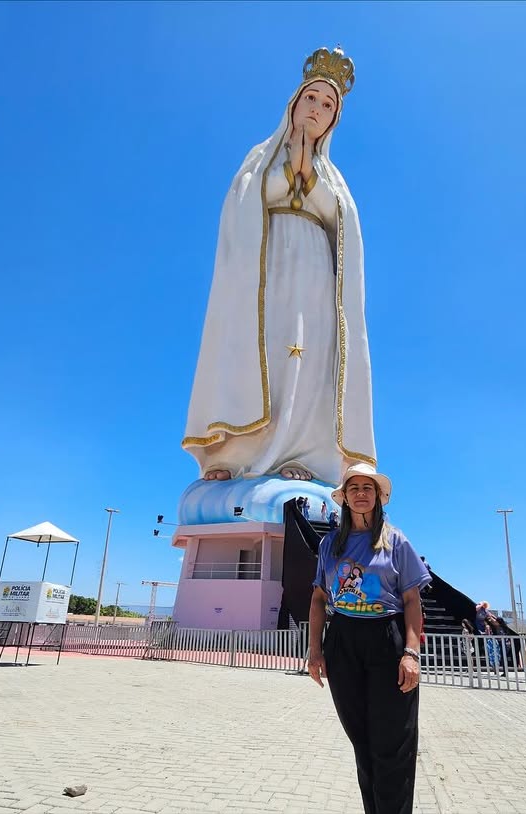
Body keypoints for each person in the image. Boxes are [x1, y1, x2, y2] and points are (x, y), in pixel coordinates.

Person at [183, 46, 375, 484]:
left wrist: (310, 177)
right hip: (266, 269)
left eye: (328, 105)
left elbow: (342, 226)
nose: (317, 109)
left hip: (314, 271)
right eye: (312, 98)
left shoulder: (334, 178)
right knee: (261, 348)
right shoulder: (261, 156)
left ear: (333, 119)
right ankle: (236, 455)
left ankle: (303, 453)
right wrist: (289, 172)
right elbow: (242, 205)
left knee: (309, 359)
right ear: (295, 102)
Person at [308, 463, 431, 814]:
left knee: (392, 742)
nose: (361, 493)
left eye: (368, 488)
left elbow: (412, 600)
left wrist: (411, 653)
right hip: (343, 639)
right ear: (344, 498)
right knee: (361, 740)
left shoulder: (396, 542)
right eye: (354, 488)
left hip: (386, 637)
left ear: (378, 496)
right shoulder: (329, 544)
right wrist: (315, 651)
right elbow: (318, 598)